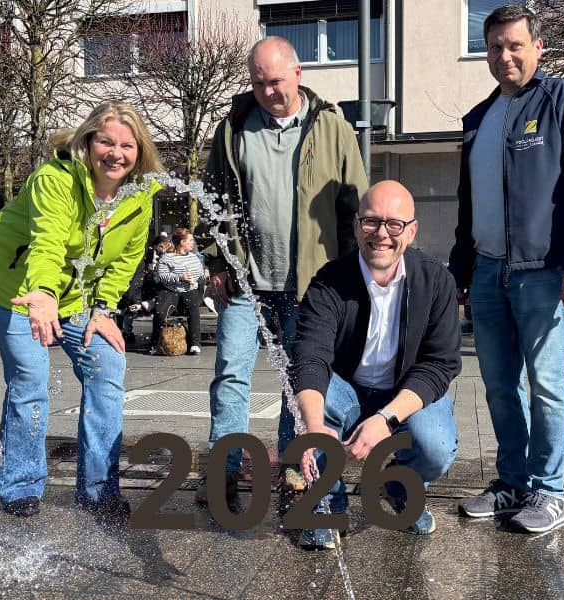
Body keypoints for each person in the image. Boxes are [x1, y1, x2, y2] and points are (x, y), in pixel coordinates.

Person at [447, 6, 564, 533]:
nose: (504, 56)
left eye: (515, 45)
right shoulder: (480, 118)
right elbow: (467, 203)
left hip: (544, 271)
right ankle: (512, 482)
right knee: (498, 385)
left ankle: (549, 491)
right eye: (495, 46)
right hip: (488, 272)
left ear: (538, 47)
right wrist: (460, 273)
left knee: (548, 386)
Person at [197, 36, 368, 506]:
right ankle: (223, 472)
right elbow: (213, 200)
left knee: (301, 383)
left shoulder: (332, 128)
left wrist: (352, 276)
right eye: (257, 82)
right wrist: (217, 260)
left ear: (298, 74)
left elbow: (356, 206)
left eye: (275, 81)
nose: (268, 91)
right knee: (231, 376)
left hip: (309, 285)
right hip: (246, 282)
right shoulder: (233, 128)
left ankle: (297, 476)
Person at [0, 101, 163, 518]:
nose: (116, 153)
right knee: (30, 376)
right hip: (15, 288)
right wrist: (41, 292)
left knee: (108, 366)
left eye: (127, 146)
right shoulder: (54, 180)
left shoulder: (140, 195)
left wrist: (104, 309)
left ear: (139, 151)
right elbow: (48, 242)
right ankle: (20, 483)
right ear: (87, 142)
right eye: (106, 142)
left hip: (76, 295)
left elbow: (127, 258)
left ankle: (98, 490)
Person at [290, 180, 460, 550]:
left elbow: (440, 364)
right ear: (356, 225)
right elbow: (310, 357)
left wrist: (386, 420)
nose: (382, 234)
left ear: (411, 231)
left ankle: (399, 486)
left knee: (436, 446)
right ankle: (326, 505)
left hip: (404, 395)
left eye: (394, 224)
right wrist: (314, 427)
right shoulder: (329, 282)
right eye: (371, 222)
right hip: (348, 391)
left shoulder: (436, 282)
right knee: (302, 406)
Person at [149, 227, 206, 356]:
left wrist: (195, 281)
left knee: (193, 309)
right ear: (182, 242)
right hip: (171, 289)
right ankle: (155, 343)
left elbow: (200, 275)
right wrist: (180, 277)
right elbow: (163, 277)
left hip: (189, 290)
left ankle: (195, 343)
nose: (193, 243)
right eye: (190, 240)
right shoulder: (167, 258)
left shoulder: (194, 258)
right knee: (160, 310)